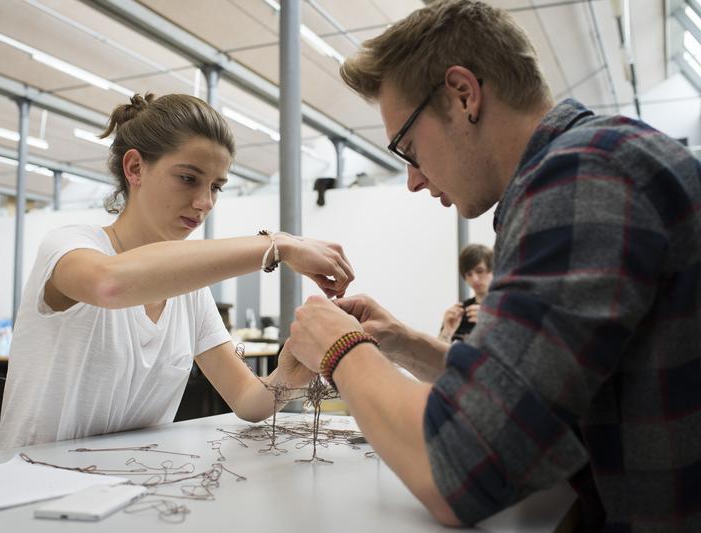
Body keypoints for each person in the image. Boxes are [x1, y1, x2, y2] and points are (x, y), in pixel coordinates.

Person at [284, 1, 701, 530]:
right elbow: (528, 397)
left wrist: (341, 348)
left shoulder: (582, 178)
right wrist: (404, 344)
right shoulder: (600, 160)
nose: (412, 180)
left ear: (462, 95)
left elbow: (462, 467)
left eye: (408, 148)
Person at [0, 93, 354, 450]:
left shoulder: (188, 291)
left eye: (216, 187)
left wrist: (292, 372)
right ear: (134, 168)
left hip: (122, 488)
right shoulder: (68, 246)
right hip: (27, 484)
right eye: (188, 179)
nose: (205, 203)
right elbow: (109, 285)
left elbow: (246, 399)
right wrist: (278, 245)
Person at [438, 244, 493, 342]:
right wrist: (446, 332)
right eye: (469, 274)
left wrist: (490, 324)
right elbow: (437, 356)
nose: (474, 279)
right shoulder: (459, 313)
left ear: (493, 270)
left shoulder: (509, 309)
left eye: (480, 271)